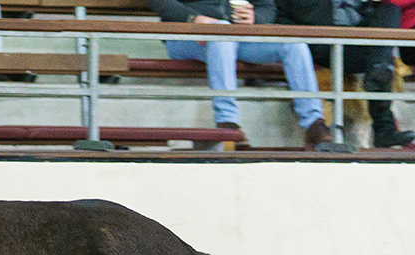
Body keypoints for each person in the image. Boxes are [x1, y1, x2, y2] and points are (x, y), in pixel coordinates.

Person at [149, 0, 335, 149]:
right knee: (222, 31)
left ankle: (314, 124)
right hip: (185, 34)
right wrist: (192, 18)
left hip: (234, 36)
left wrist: (255, 17)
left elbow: (267, 7)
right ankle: (227, 122)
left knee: (294, 44)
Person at [276, 0, 415, 147]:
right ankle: (383, 126)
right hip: (318, 41)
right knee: (379, 60)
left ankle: (384, 128)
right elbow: (305, 14)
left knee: (389, 10)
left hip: (352, 39)